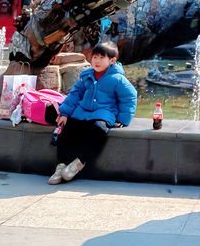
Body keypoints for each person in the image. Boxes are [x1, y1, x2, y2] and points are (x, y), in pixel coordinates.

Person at [47, 41, 137, 185]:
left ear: (112, 61)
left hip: (104, 113)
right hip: (82, 112)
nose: (97, 61)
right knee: (68, 130)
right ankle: (61, 166)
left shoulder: (118, 79)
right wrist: (64, 113)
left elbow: (129, 97)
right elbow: (75, 94)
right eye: (95, 57)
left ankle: (78, 163)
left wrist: (122, 120)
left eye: (102, 58)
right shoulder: (86, 75)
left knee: (99, 130)